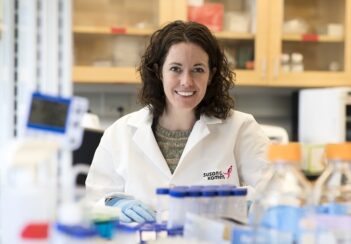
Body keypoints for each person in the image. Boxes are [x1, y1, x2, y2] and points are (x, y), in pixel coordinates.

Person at [85, 20, 269, 223]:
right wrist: (115, 206)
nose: (186, 81)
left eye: (198, 69)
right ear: (158, 71)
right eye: (175, 68)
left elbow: (276, 195)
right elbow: (93, 203)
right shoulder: (119, 134)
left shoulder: (240, 129)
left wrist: (242, 205)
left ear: (211, 74)